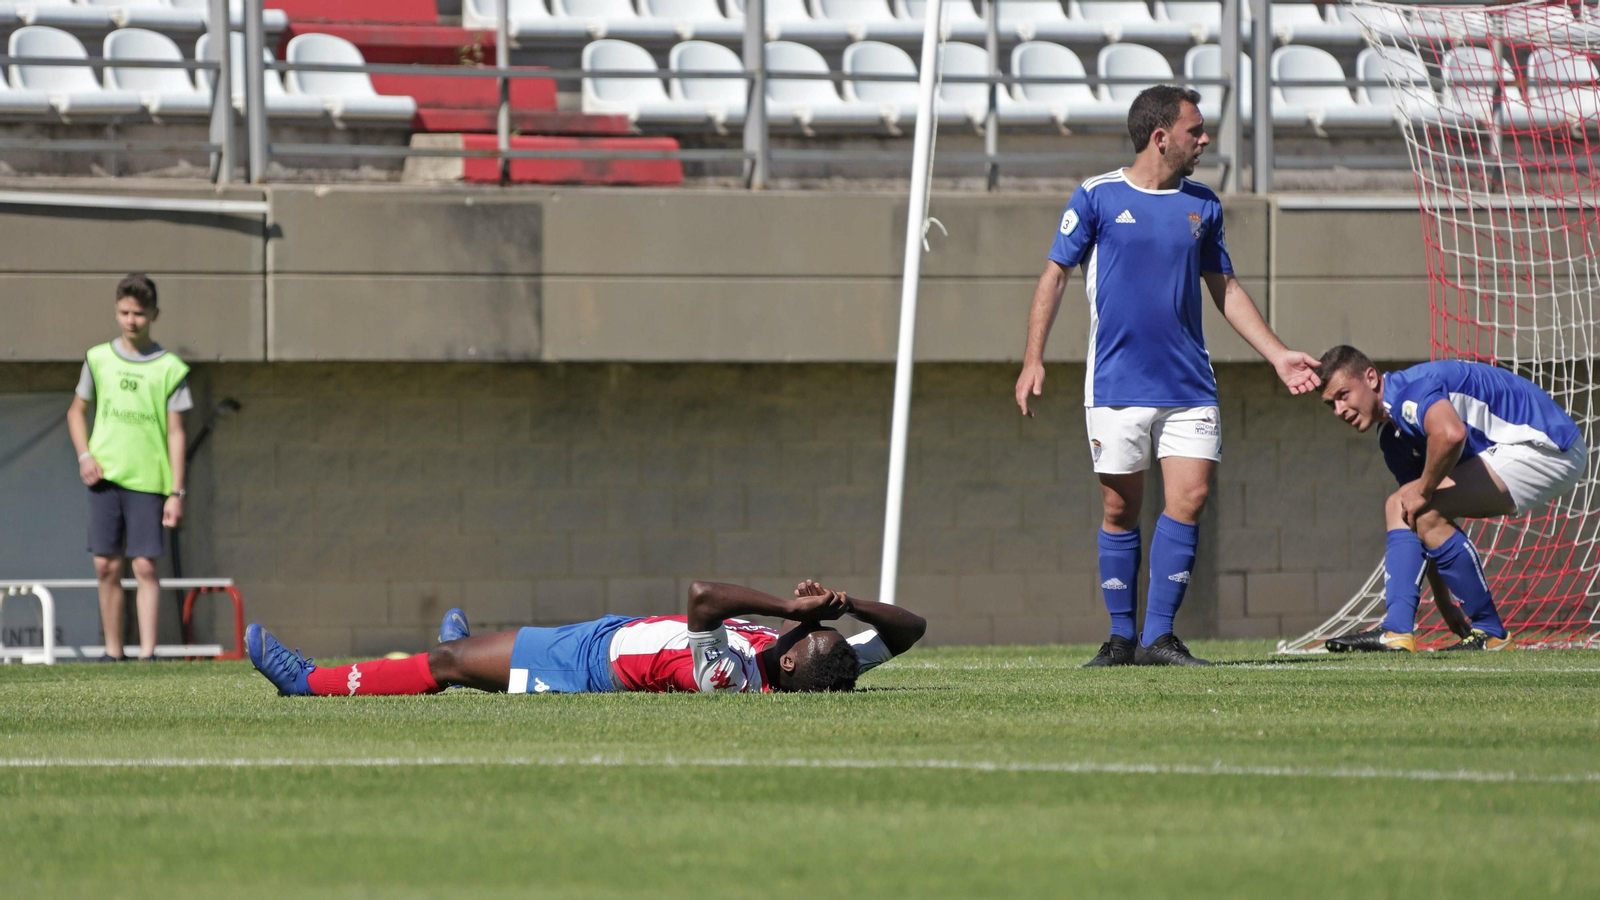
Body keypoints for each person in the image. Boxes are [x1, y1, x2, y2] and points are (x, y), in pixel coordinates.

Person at [1012, 85, 1322, 667]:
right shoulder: (1097, 196)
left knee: (1192, 497)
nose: (1204, 140)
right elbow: (1053, 275)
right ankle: (1120, 638)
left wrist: (1278, 355)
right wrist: (1034, 358)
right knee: (1120, 510)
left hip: (1189, 387)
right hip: (1115, 384)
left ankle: (1158, 637)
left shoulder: (1204, 204)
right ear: (1160, 137)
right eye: (1194, 130)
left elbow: (1225, 288)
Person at [1316, 345, 1585, 651]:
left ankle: (1490, 632)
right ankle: (1397, 631)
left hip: (1548, 445)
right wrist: (1444, 604)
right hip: (1521, 449)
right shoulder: (1391, 436)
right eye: (1331, 404)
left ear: (1371, 378)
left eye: (1343, 395)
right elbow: (1417, 519)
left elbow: (1450, 434)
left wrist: (1424, 490)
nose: (1339, 410)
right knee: (1401, 506)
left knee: (1418, 502)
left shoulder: (1409, 394)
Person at [246, 580, 927, 696]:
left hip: (585, 666)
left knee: (447, 661)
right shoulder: (829, 668)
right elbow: (911, 629)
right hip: (610, 634)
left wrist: (787, 603)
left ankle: (306, 681)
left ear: (791, 666)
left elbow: (702, 596)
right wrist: (845, 604)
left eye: (805, 634)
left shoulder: (732, 677)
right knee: (473, 651)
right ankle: (478, 654)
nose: (802, 628)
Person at [65, 274, 192, 661]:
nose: (131, 320)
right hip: (104, 479)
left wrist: (176, 492)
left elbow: (176, 433)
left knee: (145, 566)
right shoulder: (97, 359)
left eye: (139, 313)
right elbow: (75, 412)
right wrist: (85, 456)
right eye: (124, 312)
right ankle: (112, 653)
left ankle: (148, 655)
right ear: (116, 311)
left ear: (154, 314)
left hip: (149, 481)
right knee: (105, 564)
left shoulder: (170, 368)